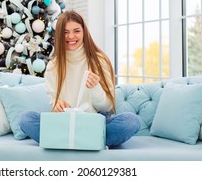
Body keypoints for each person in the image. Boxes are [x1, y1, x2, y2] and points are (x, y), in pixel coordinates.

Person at [19, 10, 140, 147]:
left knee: (131, 121)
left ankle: (67, 142)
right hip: (65, 123)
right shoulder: (53, 65)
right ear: (59, 35)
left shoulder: (99, 60)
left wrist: (95, 88)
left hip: (94, 122)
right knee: (26, 118)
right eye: (65, 32)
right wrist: (57, 105)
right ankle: (88, 142)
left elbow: (107, 106)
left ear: (84, 32)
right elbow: (54, 103)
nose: (71, 36)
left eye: (76, 31)